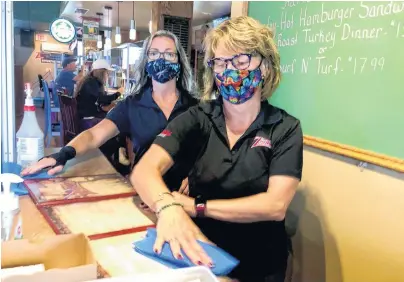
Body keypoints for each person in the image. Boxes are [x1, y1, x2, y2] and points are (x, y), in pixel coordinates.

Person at [129, 17, 304, 282]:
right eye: (220, 62)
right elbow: (144, 170)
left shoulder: (285, 128)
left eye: (241, 60)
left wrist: (195, 206)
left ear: (265, 67)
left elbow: (274, 205)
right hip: (202, 255)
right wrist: (168, 207)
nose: (229, 70)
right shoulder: (198, 117)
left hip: (260, 266)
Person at [22, 31, 198, 195]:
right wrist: (63, 154)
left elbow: (211, 151)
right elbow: (93, 135)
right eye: (154, 53)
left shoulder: (196, 108)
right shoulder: (132, 105)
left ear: (179, 62)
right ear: (146, 61)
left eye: (169, 54)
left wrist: (198, 175)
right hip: (148, 195)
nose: (161, 59)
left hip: (190, 199)